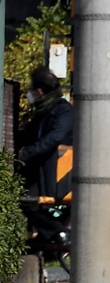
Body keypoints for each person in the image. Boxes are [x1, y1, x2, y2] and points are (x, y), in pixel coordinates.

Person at [15, 66, 73, 199]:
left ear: (40, 92)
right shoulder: (43, 111)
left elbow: (55, 137)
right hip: (40, 171)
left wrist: (27, 152)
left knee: (35, 207)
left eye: (31, 89)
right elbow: (28, 135)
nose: (29, 93)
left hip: (55, 174)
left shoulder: (62, 110)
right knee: (27, 204)